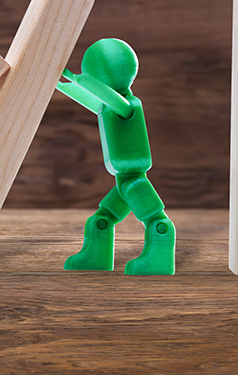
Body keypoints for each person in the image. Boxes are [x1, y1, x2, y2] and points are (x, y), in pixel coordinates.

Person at [57, 38, 175, 275]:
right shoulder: (107, 106)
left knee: (155, 219)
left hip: (134, 177)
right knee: (102, 219)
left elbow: (111, 99)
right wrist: (59, 82)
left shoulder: (128, 105)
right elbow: (91, 99)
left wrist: (78, 78)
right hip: (123, 179)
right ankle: (96, 257)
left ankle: (159, 258)